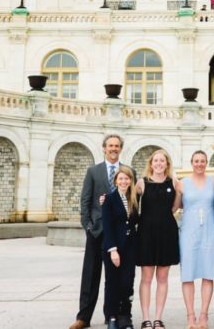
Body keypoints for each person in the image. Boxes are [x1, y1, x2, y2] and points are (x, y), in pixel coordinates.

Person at [74, 134, 132, 329]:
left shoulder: (128, 172)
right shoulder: (93, 171)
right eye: (110, 146)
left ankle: (111, 316)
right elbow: (85, 201)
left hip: (118, 236)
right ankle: (83, 317)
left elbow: (133, 202)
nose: (113, 149)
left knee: (113, 278)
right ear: (104, 148)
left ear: (120, 148)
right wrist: (88, 226)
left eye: (117, 146)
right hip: (97, 232)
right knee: (90, 275)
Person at [136, 148, 181, 328]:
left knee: (163, 278)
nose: (159, 164)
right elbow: (129, 204)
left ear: (167, 164)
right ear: (151, 163)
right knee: (146, 278)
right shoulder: (141, 183)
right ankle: (146, 318)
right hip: (146, 233)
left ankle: (158, 318)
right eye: (156, 161)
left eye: (162, 161)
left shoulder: (174, 182)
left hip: (167, 232)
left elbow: (175, 207)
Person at [180, 150, 214, 329]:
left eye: (203, 161)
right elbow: (174, 206)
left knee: (208, 273)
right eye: (196, 161)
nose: (200, 164)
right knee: (188, 274)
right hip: (189, 231)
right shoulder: (182, 183)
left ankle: (203, 315)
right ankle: (190, 315)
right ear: (191, 162)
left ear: (207, 163)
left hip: (209, 230)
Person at [102, 166, 140, 329]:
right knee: (112, 282)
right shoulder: (109, 199)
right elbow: (107, 226)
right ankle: (111, 316)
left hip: (130, 247)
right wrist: (113, 250)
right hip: (113, 248)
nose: (124, 181)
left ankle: (125, 316)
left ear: (131, 181)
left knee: (127, 282)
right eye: (121, 178)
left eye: (127, 178)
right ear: (116, 181)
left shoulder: (135, 198)